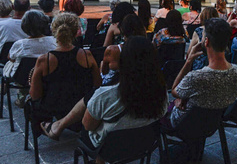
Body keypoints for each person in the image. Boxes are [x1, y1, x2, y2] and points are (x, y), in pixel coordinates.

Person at [40, 36, 168, 155]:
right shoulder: (162, 91)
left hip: (108, 148)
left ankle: (60, 126)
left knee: (95, 111)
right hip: (144, 144)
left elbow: (88, 126)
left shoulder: (106, 95)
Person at [29, 12, 101, 128]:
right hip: (81, 105)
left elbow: (35, 95)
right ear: (76, 31)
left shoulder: (44, 60)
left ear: (53, 30)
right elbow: (97, 85)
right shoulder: (86, 56)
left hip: (52, 106)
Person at [169, 18, 237, 127]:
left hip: (186, 123)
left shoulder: (196, 77)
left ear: (206, 41)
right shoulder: (236, 71)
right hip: (214, 122)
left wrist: (188, 61)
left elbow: (174, 90)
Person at [4, 10, 57, 107]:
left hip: (22, 78)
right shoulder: (54, 41)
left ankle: (21, 95)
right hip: (49, 76)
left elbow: (10, 57)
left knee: (14, 63)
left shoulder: (20, 44)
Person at [100, 14, 147, 86]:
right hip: (141, 84)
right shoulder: (148, 47)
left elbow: (104, 72)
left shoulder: (113, 50)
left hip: (115, 86)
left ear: (123, 30)